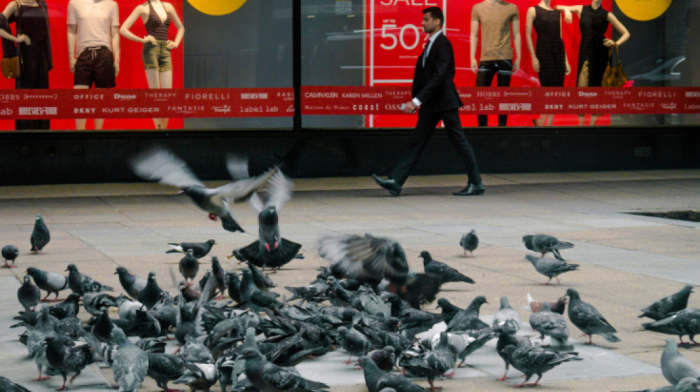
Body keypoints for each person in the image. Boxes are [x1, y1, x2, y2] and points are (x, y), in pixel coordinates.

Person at [372, 7, 484, 197]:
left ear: (437, 22)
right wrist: (418, 100)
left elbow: (439, 76)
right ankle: (396, 182)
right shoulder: (431, 44)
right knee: (417, 142)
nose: (422, 23)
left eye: (426, 20)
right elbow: (427, 76)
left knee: (459, 142)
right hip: (432, 104)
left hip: (445, 103)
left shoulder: (443, 44)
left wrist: (416, 100)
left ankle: (476, 183)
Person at [555, 0, 629, 126]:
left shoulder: (606, 14)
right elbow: (557, 7)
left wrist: (615, 43)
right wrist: (567, 10)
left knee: (598, 87)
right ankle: (582, 125)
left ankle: (592, 124)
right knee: (582, 86)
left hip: (601, 51)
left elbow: (626, 33)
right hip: (585, 50)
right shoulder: (581, 9)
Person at [120, 0, 184, 130]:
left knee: (167, 95)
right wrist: (142, 39)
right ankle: (158, 129)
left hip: (165, 49)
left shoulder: (168, 6)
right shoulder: (142, 8)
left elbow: (181, 27)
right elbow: (123, 29)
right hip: (151, 50)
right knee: (155, 95)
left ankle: (163, 130)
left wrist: (176, 42)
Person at [67, 0, 120, 131]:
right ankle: (79, 135)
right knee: (80, 99)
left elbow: (115, 34)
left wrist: (117, 59)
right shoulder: (74, 3)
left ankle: (98, 134)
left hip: (104, 53)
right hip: (83, 53)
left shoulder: (111, 4)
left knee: (101, 101)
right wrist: (71, 57)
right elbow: (71, 31)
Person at [0, 0, 52, 130]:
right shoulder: (16, 4)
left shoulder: (41, 4)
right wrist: (16, 39)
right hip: (25, 55)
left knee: (42, 96)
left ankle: (43, 131)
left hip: (41, 55)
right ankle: (25, 131)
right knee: (26, 93)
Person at [471, 0, 521, 127]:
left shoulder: (512, 8)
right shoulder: (478, 8)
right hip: (486, 57)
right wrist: (472, 57)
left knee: (503, 97)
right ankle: (482, 130)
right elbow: (474, 34)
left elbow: (516, 34)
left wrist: (519, 57)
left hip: (505, 57)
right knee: (481, 96)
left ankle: (502, 128)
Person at [526, 0, 570, 126]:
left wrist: (566, 60)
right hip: (544, 51)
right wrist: (533, 57)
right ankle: (542, 120)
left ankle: (548, 120)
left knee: (557, 89)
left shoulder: (556, 13)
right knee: (547, 88)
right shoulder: (533, 10)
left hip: (558, 52)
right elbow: (528, 35)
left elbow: (560, 36)